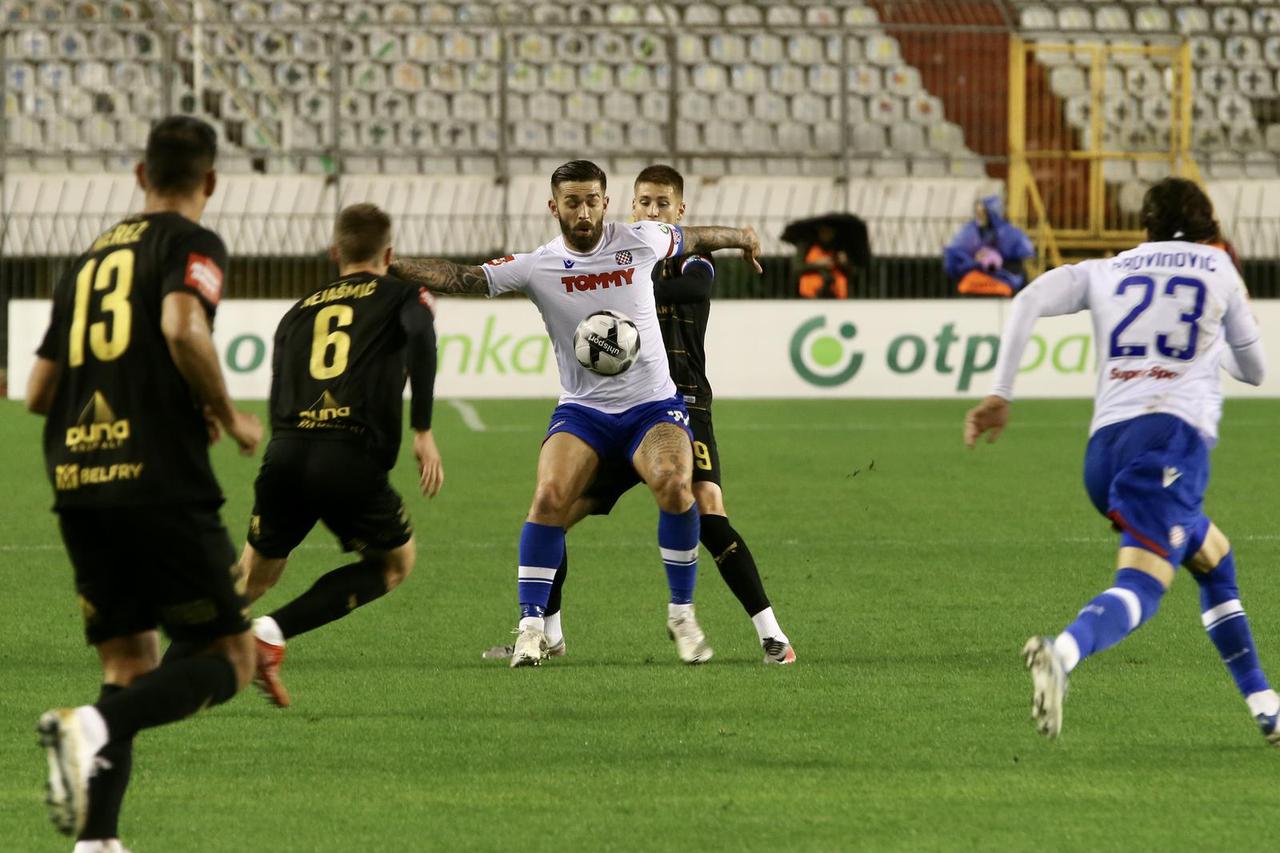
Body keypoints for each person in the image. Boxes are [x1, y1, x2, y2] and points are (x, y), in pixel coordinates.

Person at [391, 159, 762, 667]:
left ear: (605, 203)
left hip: (652, 406)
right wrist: (393, 266)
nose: (583, 211)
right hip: (584, 411)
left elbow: (693, 236)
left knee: (676, 487)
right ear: (554, 207)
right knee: (548, 498)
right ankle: (530, 629)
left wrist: (740, 236)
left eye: (592, 200)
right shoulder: (537, 265)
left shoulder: (642, 239)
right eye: (572, 202)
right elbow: (464, 277)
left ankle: (681, 613)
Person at [964, 177, 1277, 744]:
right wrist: (1211, 341)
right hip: (1169, 446)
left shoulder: (1109, 269)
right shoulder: (1218, 269)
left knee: (1215, 560)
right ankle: (1062, 653)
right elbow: (1256, 371)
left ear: (1147, 225)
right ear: (1209, 223)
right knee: (1146, 584)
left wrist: (1000, 392)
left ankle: (1266, 706)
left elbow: (1028, 298)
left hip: (1104, 453)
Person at [26, 115, 264, 849]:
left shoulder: (87, 258)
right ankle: (86, 725)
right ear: (211, 181)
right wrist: (225, 409)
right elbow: (182, 324)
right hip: (157, 479)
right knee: (232, 659)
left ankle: (96, 840)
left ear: (139, 173)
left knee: (129, 663)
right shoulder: (191, 242)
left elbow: (38, 389)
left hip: (76, 476)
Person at [483, 164, 794, 664]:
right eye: (644, 203)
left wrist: (606, 282)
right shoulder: (620, 255)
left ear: (679, 214)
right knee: (553, 516)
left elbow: (688, 292)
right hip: (608, 410)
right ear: (631, 208)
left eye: (662, 204)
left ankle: (769, 632)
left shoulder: (689, 264)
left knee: (708, 513)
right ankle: (546, 633)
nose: (652, 210)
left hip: (680, 404)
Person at [241, 203, 443, 708]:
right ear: (389, 254)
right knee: (394, 563)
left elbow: (279, 384)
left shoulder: (298, 309)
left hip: (285, 452)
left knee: (253, 575)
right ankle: (269, 633)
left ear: (335, 253)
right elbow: (421, 337)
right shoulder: (404, 293)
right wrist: (422, 429)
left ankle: (175, 652)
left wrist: (285, 445)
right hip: (348, 457)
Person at [944, 195, 1034, 297]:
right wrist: (976, 261)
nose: (979, 217)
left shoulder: (1008, 233)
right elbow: (957, 257)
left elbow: (1019, 259)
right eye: (978, 213)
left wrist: (996, 262)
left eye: (982, 213)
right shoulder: (972, 231)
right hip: (981, 281)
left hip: (1002, 281)